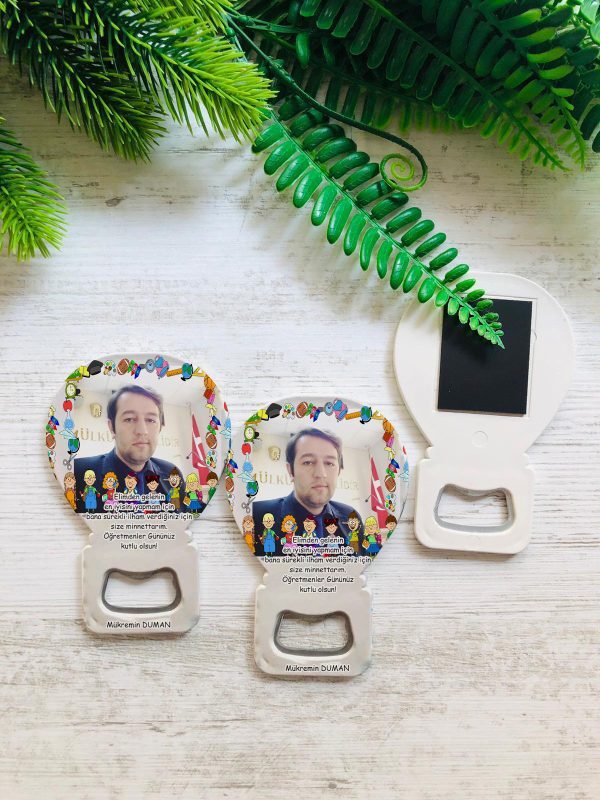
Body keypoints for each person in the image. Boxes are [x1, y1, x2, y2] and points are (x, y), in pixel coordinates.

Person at [251, 427, 363, 554]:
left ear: (338, 472)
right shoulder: (254, 516)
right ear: (290, 470)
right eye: (308, 462)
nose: (321, 474)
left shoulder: (351, 517)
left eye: (329, 463)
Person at [74, 385, 184, 512]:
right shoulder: (75, 473)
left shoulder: (172, 474)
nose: (142, 431)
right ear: (112, 427)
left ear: (160, 427)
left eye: (151, 420)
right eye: (129, 419)